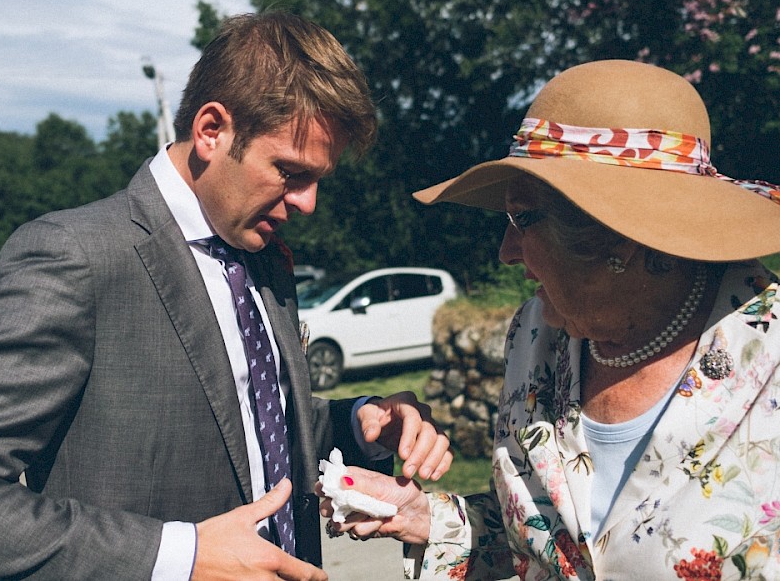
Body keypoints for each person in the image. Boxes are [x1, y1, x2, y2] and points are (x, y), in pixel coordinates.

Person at [0, 11, 453, 581]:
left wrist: (360, 422)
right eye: (290, 172)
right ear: (211, 131)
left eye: (318, 179)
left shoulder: (264, 256)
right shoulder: (74, 255)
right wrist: (181, 557)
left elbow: (247, 427)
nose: (308, 203)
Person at [318, 59, 780, 580]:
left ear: (617, 237)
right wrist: (424, 517)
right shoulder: (535, 338)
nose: (505, 251)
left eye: (521, 218)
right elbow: (554, 539)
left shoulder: (768, 358)